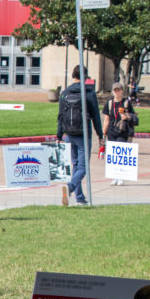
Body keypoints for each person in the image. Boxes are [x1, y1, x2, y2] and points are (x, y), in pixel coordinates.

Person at [56, 65, 103, 206]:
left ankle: (80, 197)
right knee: (83, 167)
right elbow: (95, 115)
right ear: (86, 76)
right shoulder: (88, 92)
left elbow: (60, 116)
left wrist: (59, 135)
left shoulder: (65, 93)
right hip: (83, 134)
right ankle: (70, 187)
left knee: (76, 165)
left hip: (69, 133)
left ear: (73, 75)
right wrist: (100, 134)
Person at [102, 82, 138, 186]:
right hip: (111, 130)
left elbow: (133, 116)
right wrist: (104, 133)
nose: (117, 92)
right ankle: (114, 177)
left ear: (122, 91)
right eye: (115, 90)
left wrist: (126, 116)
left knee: (120, 153)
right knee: (113, 154)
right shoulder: (109, 103)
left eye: (118, 90)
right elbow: (106, 119)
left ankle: (121, 176)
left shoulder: (126, 103)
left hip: (123, 130)